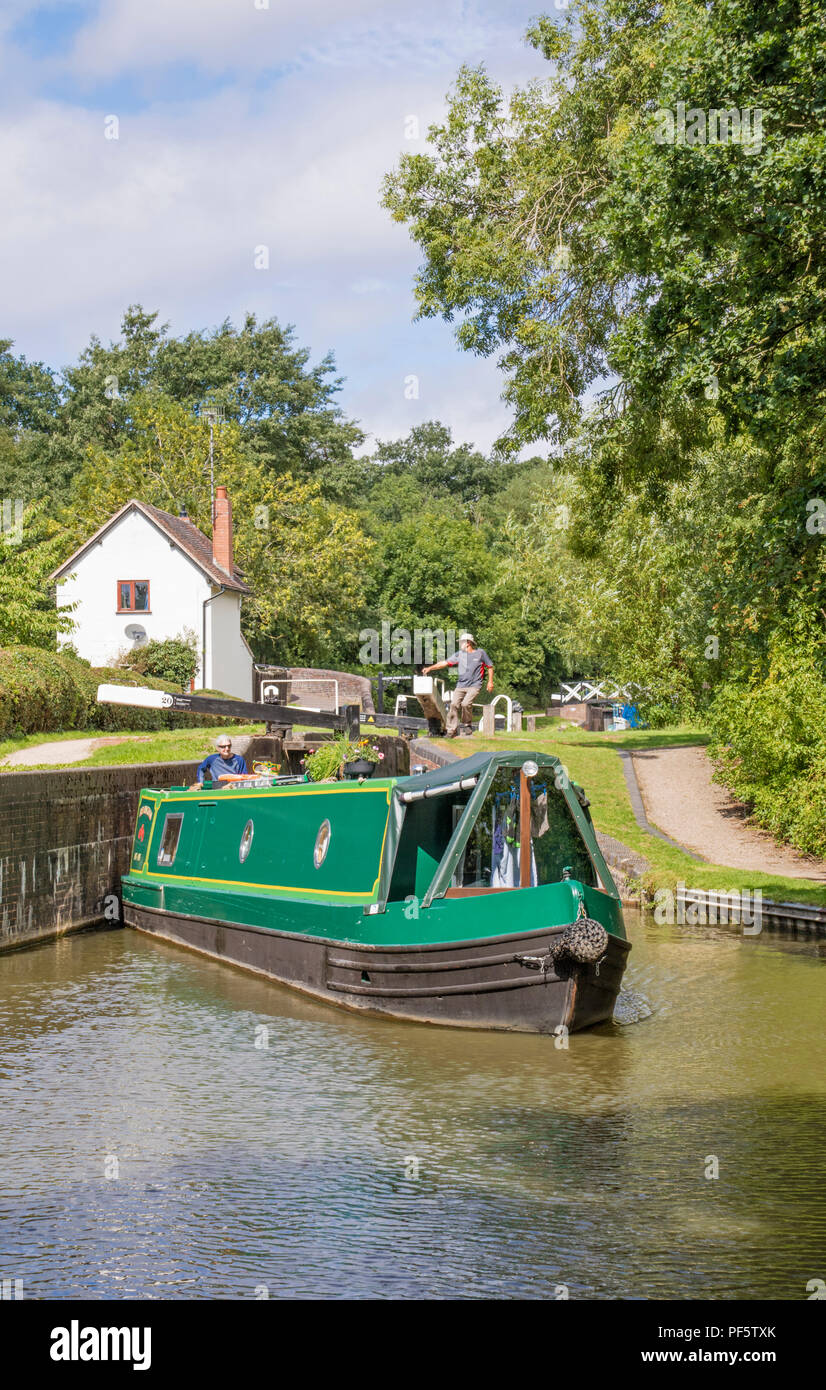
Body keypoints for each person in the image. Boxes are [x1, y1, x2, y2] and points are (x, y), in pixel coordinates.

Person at [423, 632, 494, 738]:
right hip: (461, 685)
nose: (460, 644)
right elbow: (445, 663)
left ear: (468, 643)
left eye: (461, 642)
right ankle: (451, 730)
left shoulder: (480, 653)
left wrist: (490, 681)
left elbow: (490, 666)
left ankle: (467, 724)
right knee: (453, 704)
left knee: (465, 704)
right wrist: (430, 668)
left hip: (475, 685)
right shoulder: (459, 654)